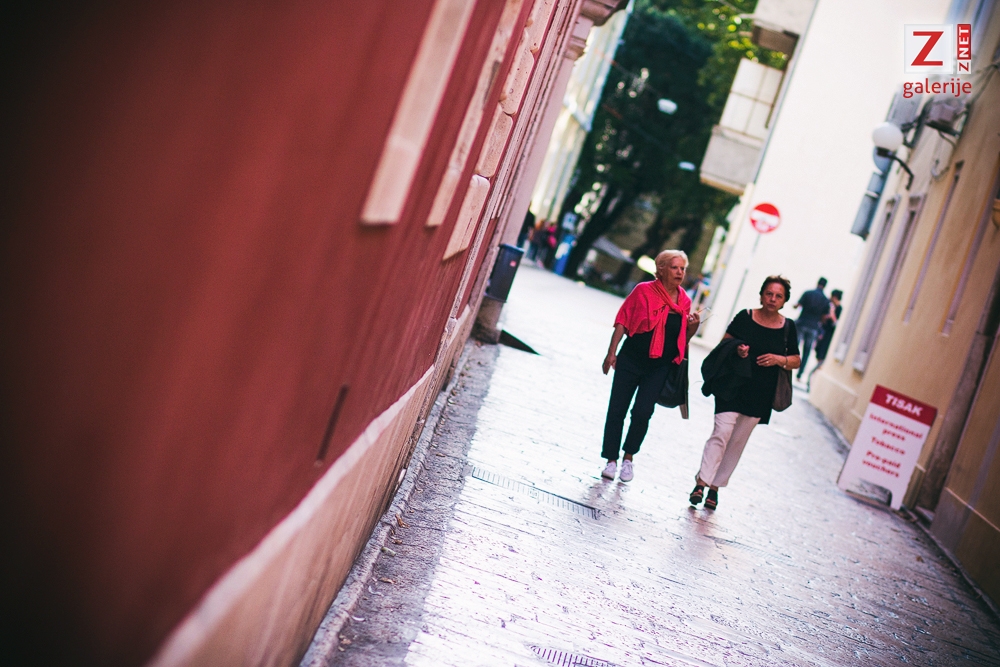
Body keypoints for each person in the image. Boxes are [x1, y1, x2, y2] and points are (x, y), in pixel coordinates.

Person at [689, 276, 801, 509]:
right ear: (761, 295)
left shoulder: (788, 327)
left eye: (778, 296)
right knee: (721, 432)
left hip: (760, 393)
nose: (772, 299)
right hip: (731, 385)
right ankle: (701, 483)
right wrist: (738, 350)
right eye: (769, 293)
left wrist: (778, 359)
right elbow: (724, 344)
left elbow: (796, 360)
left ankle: (715, 488)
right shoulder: (745, 317)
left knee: (737, 441)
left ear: (784, 301)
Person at [600, 250, 701, 482]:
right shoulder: (643, 291)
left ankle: (628, 458)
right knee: (617, 409)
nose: (680, 272)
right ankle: (611, 460)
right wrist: (611, 353)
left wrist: (693, 327)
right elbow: (623, 320)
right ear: (662, 269)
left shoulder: (684, 301)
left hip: (660, 366)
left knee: (643, 412)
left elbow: (682, 338)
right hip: (631, 359)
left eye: (683, 269)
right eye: (675, 267)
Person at [793, 277, 829, 381]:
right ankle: (799, 374)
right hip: (813, 327)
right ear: (825, 286)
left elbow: (797, 305)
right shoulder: (825, 300)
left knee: (794, 347)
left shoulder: (808, 293)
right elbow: (824, 318)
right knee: (807, 351)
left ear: (817, 283)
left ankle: (786, 367)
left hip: (802, 323)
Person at [807, 289, 842, 390]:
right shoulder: (828, 306)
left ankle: (813, 380)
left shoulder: (839, 309)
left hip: (829, 338)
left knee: (822, 358)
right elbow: (823, 319)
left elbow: (836, 322)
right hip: (823, 335)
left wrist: (832, 313)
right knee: (818, 355)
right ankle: (814, 380)